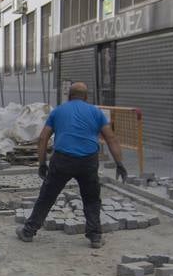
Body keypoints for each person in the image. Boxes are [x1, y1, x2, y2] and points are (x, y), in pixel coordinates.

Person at [17, 82, 128, 249]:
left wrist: (42, 163)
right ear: (86, 96)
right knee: (91, 199)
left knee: (47, 196)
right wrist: (119, 163)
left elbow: (43, 138)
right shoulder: (96, 112)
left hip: (63, 159)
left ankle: (28, 231)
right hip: (88, 161)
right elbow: (111, 138)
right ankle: (95, 237)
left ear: (69, 96)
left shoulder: (59, 111)